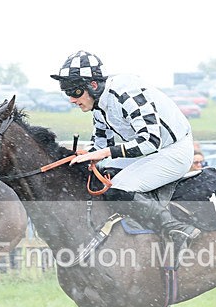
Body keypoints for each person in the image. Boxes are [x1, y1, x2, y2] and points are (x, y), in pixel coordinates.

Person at [51, 51, 199, 260]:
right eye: (66, 93)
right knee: (95, 172)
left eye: (74, 92)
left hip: (173, 150)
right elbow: (101, 145)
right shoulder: (99, 106)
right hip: (150, 152)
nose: (71, 100)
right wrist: (86, 155)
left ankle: (176, 228)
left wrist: (102, 153)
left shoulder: (125, 92)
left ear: (93, 85)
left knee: (119, 187)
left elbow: (150, 141)